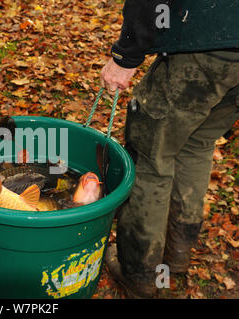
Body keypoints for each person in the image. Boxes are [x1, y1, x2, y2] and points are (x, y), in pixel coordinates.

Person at [100, 0, 239, 298]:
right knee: (195, 143)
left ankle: (139, 272)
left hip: (206, 47)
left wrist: (126, 54)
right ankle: (176, 254)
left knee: (151, 155)